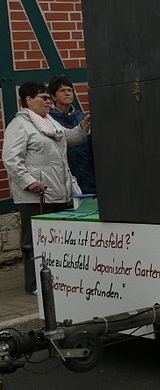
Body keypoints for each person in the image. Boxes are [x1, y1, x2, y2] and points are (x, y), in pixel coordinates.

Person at [2, 82, 90, 295]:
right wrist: (29, 182)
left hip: (58, 191)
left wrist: (82, 127)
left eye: (49, 98)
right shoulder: (19, 125)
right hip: (36, 195)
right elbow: (12, 159)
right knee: (33, 242)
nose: (49, 101)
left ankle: (56, 281)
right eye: (43, 98)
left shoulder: (48, 122)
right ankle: (34, 285)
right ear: (28, 100)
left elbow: (67, 139)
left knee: (56, 240)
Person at [48, 76, 96, 194]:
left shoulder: (81, 117)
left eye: (70, 90)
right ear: (53, 97)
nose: (67, 93)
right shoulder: (50, 120)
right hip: (65, 172)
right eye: (62, 91)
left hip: (87, 171)